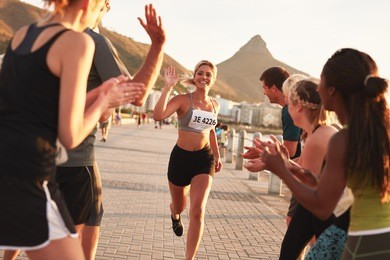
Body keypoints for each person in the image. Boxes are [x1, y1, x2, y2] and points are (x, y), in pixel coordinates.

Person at [0, 0, 143, 259]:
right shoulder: (78, 43)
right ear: (89, 3)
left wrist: (98, 93)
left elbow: (36, 108)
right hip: (28, 176)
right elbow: (70, 135)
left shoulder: (24, 34)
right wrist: (103, 102)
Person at [260, 48, 390, 259]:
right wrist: (288, 164)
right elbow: (332, 187)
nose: (317, 88)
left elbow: (322, 206)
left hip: (359, 242)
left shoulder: (343, 138)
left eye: (320, 81)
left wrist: (281, 169)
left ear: (331, 90)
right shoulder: (379, 130)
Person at [245, 78, 345, 259]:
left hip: (329, 211)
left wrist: (279, 167)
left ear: (298, 106)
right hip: (321, 205)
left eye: (288, 102)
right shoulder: (318, 132)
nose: (286, 108)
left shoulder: (318, 138)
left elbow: (309, 187)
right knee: (289, 249)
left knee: (293, 251)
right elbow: (307, 173)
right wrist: (272, 159)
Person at [153, 62, 222, 260]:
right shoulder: (183, 100)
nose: (204, 77)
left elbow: (211, 133)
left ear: (213, 79)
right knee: (180, 206)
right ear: (194, 76)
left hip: (204, 159)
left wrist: (216, 155)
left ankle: (188, 258)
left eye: (208, 74)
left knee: (198, 211)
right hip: (181, 158)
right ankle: (174, 215)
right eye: (200, 73)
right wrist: (167, 88)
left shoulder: (214, 105)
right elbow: (158, 115)